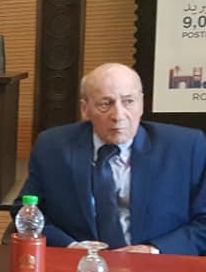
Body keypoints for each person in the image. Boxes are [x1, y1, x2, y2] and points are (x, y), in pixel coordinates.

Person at [13, 63, 206, 255]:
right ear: (85, 109)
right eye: (105, 104)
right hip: (79, 263)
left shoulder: (185, 147)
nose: (118, 116)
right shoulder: (53, 147)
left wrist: (153, 250)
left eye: (128, 101)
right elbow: (26, 210)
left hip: (159, 264)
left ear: (142, 104)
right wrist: (71, 247)